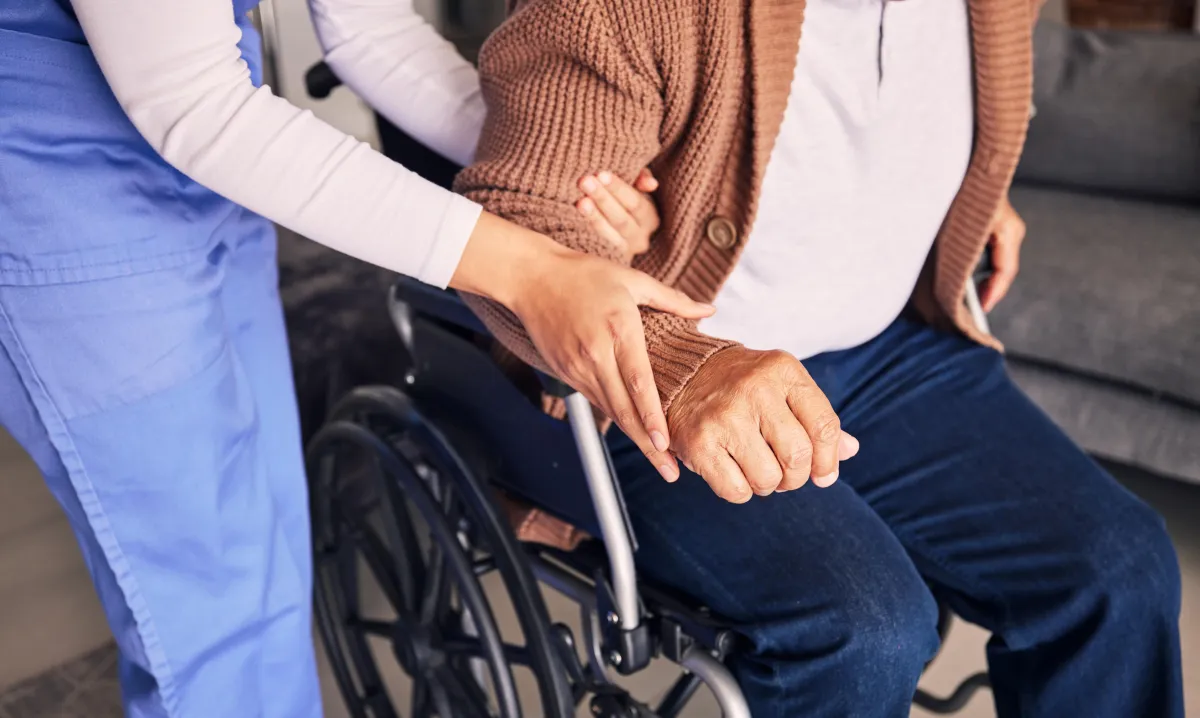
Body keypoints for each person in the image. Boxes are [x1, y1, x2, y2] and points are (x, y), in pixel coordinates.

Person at [452, 0, 1186, 716]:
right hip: (662, 385)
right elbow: (524, 215)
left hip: (890, 351)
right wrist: (680, 365)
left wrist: (972, 191)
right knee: (866, 630)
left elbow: (904, 120)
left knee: (1120, 569)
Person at [0, 0, 702, 716]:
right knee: (211, 606)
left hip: (205, 171)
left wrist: (565, 178)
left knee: (273, 548)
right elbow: (189, 101)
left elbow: (368, 28)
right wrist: (530, 270)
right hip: (63, 178)